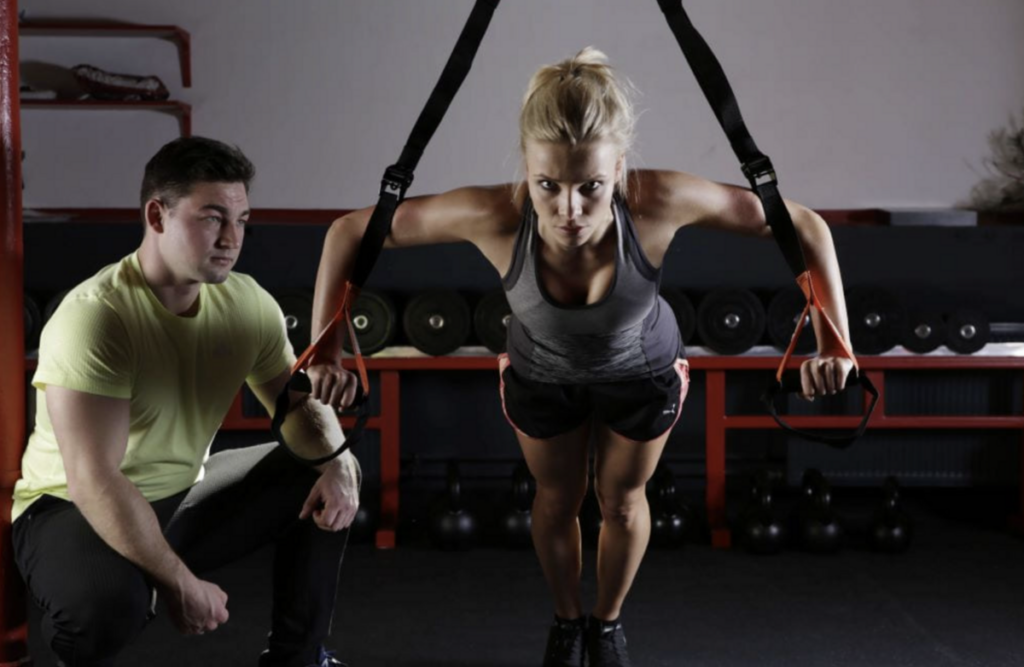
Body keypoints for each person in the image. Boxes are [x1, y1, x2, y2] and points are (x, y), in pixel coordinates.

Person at [309, 47, 853, 667]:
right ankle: (568, 623)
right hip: (542, 374)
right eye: (549, 185)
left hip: (643, 372)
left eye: (591, 186)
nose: (569, 209)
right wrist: (324, 347)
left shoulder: (658, 200)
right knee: (556, 499)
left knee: (622, 501)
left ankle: (608, 625)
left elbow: (802, 224)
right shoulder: (493, 213)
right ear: (527, 170)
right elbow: (349, 232)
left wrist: (835, 340)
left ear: (619, 168)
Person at [11, 136, 360, 667]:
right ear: (157, 215)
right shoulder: (97, 316)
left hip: (180, 493)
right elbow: (93, 479)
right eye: (212, 218)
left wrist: (336, 461)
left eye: (242, 220)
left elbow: (296, 406)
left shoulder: (247, 303)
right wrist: (179, 583)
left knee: (325, 468)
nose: (231, 238)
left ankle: (301, 657)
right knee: (106, 607)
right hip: (68, 506)